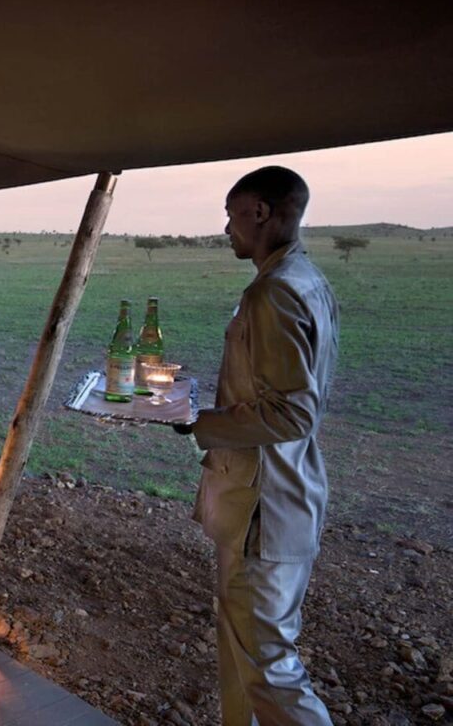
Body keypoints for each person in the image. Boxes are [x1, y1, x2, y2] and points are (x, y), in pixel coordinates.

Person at [174, 166, 338, 724]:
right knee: (244, 658)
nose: (226, 226)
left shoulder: (275, 292)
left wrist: (200, 422)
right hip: (278, 497)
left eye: (232, 212)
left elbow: (293, 410)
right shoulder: (307, 280)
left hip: (263, 511)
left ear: (262, 213)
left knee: (268, 668)